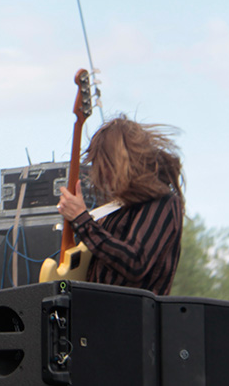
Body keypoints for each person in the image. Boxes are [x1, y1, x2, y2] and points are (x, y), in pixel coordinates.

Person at [57, 115, 185, 296]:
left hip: (134, 311)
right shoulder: (117, 208)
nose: (101, 176)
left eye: (104, 166)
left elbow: (136, 263)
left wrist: (82, 220)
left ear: (119, 162)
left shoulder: (164, 202)